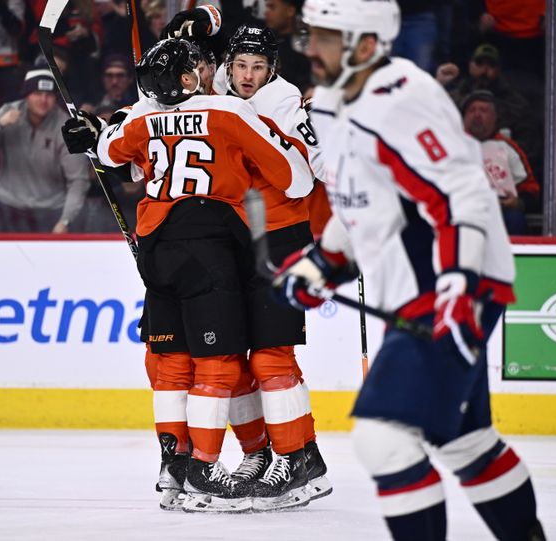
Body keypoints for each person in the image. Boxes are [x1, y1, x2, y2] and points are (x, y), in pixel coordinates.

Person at [272, 1, 546, 539]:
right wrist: (323, 263)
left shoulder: (404, 98)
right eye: (314, 35)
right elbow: (360, 200)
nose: (313, 48)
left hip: (450, 283)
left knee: (384, 438)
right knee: (466, 440)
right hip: (418, 286)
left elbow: (461, 193)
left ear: (366, 46)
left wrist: (459, 284)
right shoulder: (327, 104)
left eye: (328, 37)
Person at [65, 38, 313, 512]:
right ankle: (203, 470)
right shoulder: (227, 111)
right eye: (200, 66)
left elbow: (108, 151)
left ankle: (172, 471)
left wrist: (87, 133)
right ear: (188, 77)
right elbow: (296, 178)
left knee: (171, 362)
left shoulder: (140, 117)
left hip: (154, 249)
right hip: (208, 246)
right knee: (219, 362)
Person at [216, 23, 332, 507]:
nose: (247, 76)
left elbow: (321, 168)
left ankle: (297, 457)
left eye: (258, 67)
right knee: (232, 360)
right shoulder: (217, 89)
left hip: (281, 236)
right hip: (233, 237)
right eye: (240, 65)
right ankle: (263, 453)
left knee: (270, 356)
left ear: (273, 69)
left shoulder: (284, 101)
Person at [0, 69, 89, 233]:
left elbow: (79, 180)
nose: (43, 100)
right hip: (6, 208)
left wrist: (65, 220)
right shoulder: (7, 112)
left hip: (49, 212)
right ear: (26, 94)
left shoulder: (67, 127)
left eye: (49, 95)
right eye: (37, 93)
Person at [436, 43, 542, 171]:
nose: (485, 70)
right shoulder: (454, 97)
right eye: (479, 63)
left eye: (491, 65)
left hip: (502, 168)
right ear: (470, 65)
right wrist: (438, 84)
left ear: (498, 70)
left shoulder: (515, 103)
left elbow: (529, 144)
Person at [462, 90, 539, 235]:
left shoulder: (509, 148)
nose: (477, 115)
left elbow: (531, 190)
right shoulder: (453, 146)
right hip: (462, 210)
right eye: (472, 110)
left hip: (500, 212)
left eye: (483, 110)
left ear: (495, 117)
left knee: (515, 220)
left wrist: (518, 202)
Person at [262, 0, 312, 95]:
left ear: (290, 11)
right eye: (266, 7)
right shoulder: (263, 41)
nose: (266, 12)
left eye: (272, 7)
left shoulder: (305, 49)